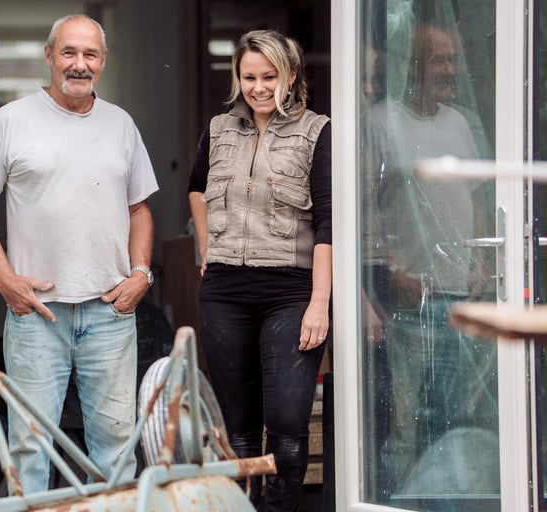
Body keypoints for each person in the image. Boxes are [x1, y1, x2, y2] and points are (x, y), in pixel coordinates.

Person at [0, 14, 158, 493]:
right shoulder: (11, 120)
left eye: (90, 54)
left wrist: (141, 274)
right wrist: (5, 278)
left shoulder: (121, 124)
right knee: (30, 447)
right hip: (36, 317)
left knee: (115, 452)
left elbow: (140, 210)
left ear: (103, 61)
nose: (79, 64)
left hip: (110, 313)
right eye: (69, 52)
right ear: (49, 56)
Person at [187, 29, 331, 511]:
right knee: (238, 428)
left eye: (269, 76)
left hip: (290, 291)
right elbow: (195, 188)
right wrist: (207, 251)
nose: (259, 87)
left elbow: (328, 224)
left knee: (288, 425)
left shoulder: (317, 131)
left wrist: (319, 304)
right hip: (225, 293)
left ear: (290, 77)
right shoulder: (219, 129)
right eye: (249, 77)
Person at [362, 22, 497, 498]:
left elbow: (476, 198)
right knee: (404, 424)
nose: (450, 69)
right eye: (439, 59)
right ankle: (398, 506)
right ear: (411, 66)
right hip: (410, 301)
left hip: (461, 296)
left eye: (452, 59)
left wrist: (481, 261)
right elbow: (365, 205)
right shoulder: (380, 121)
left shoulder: (459, 122)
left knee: (453, 421)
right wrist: (391, 271)